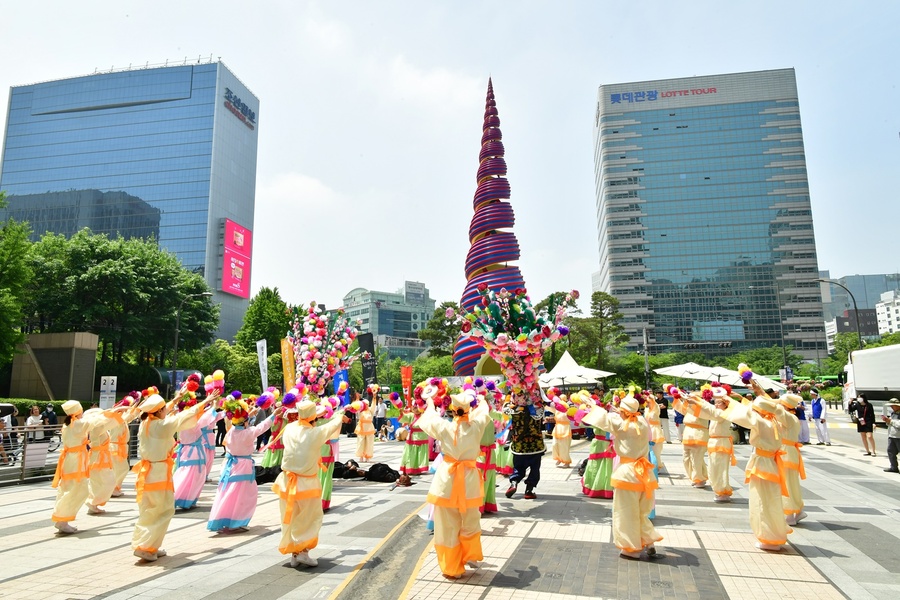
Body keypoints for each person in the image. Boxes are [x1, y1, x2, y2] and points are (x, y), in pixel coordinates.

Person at [698, 381, 792, 551]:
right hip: (770, 463)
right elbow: (759, 409)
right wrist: (755, 393)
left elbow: (743, 414)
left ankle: (769, 537)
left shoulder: (762, 423)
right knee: (771, 499)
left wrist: (727, 399)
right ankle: (775, 534)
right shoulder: (776, 422)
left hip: (763, 464)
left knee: (762, 501)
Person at [417, 383, 491, 579]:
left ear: (452, 410)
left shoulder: (444, 427)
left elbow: (429, 418)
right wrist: (481, 399)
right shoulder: (476, 426)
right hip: (469, 480)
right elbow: (484, 411)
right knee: (471, 519)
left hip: (447, 479)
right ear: (469, 409)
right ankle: (469, 554)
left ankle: (452, 566)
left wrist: (431, 402)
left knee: (447, 523)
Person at [131, 388, 214, 561]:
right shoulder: (162, 425)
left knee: (149, 509)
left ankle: (147, 544)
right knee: (163, 509)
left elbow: (167, 412)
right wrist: (205, 402)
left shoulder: (145, 422)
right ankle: (147, 547)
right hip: (159, 473)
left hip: (147, 472)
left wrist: (175, 400)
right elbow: (183, 416)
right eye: (163, 409)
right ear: (159, 411)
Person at [583, 392, 663, 560]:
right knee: (642, 511)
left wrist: (591, 404)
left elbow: (604, 418)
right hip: (644, 472)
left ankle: (631, 549)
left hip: (627, 473)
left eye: (620, 410)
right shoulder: (641, 422)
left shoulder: (620, 424)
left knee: (626, 513)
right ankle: (649, 542)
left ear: (625, 412)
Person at [273, 399, 344, 568]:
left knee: (290, 518)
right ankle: (303, 552)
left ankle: (294, 552)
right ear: (314, 418)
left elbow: (302, 422)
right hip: (306, 483)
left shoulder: (290, 428)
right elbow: (333, 424)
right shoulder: (315, 434)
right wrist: (341, 413)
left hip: (287, 481)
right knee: (310, 518)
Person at [51, 401, 128, 534]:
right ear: (78, 411)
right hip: (76, 460)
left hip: (71, 459)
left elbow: (97, 420)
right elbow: (97, 420)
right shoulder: (78, 424)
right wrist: (115, 410)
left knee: (68, 488)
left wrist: (114, 411)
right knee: (76, 490)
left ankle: (62, 518)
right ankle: (62, 519)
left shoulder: (68, 424)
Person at [207, 397, 275, 532]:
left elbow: (240, 424)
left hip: (230, 466)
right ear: (245, 422)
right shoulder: (248, 433)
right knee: (244, 495)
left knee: (228, 493)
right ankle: (236, 522)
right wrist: (274, 415)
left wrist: (248, 414)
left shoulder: (231, 431)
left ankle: (222, 519)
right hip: (243, 466)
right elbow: (263, 426)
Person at [687, 386, 736, 503]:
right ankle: (719, 490)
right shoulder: (717, 413)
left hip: (721, 443)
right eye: (715, 402)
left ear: (725, 404)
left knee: (720, 469)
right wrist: (691, 402)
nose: (716, 404)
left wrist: (698, 401)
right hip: (715, 442)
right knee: (714, 468)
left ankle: (723, 491)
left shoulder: (724, 413)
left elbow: (710, 410)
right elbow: (703, 413)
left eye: (719, 403)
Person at [173, 395, 223, 510]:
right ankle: (181, 498)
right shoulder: (193, 423)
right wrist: (213, 407)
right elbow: (205, 418)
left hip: (186, 450)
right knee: (192, 476)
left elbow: (205, 416)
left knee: (185, 474)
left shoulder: (180, 419)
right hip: (194, 452)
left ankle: (183, 498)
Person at [504, 392, 546, 500]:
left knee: (518, 467)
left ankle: (514, 482)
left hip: (519, 445)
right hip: (535, 446)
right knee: (535, 468)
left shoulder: (513, 410)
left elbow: (505, 407)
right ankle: (529, 490)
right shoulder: (538, 410)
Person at [778, 393, 807, 526]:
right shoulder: (791, 417)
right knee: (791, 483)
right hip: (789, 452)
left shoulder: (788, 417)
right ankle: (797, 510)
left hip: (786, 453)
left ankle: (789, 514)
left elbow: (774, 409)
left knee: (786, 484)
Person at [672, 389, 709, 487]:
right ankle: (699, 476)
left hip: (698, 434)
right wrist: (676, 397)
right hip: (688, 434)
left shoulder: (704, 409)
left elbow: (699, 410)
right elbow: (680, 408)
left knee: (696, 458)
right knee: (686, 458)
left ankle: (699, 479)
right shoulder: (690, 408)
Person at [580, 395, 614, 499]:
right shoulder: (610, 417)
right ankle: (606, 488)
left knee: (596, 466)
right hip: (607, 444)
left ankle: (596, 488)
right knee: (606, 467)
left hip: (599, 443)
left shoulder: (601, 417)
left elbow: (582, 424)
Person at [110, 392, 142, 498]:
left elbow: (131, 415)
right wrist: (134, 403)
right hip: (115, 447)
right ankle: (113, 488)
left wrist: (137, 403)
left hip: (120, 447)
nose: (125, 411)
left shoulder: (120, 419)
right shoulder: (115, 419)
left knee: (121, 468)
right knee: (120, 468)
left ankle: (115, 488)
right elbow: (129, 415)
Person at [399, 398, 430, 476]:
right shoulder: (411, 415)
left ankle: (419, 468)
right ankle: (411, 467)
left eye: (417, 407)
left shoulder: (424, 415)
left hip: (422, 437)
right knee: (411, 454)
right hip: (412, 437)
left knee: (420, 454)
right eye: (414, 407)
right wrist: (401, 412)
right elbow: (404, 418)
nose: (416, 409)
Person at [551, 396, 573, 468]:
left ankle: (566, 461)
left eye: (563, 399)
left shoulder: (568, 409)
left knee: (564, 446)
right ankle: (559, 458)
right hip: (557, 428)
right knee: (555, 444)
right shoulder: (556, 409)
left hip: (565, 429)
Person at [355, 396, 376, 462]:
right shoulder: (360, 411)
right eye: (364, 404)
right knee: (361, 443)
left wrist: (374, 397)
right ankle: (361, 456)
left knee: (369, 443)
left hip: (369, 428)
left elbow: (373, 406)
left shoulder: (370, 410)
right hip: (361, 428)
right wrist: (357, 399)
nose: (366, 405)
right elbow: (356, 407)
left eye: (367, 404)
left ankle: (367, 457)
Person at [882, 399, 900, 473]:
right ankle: (893, 467)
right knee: (890, 451)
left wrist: (890, 421)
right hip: (892, 436)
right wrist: (887, 421)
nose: (892, 407)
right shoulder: (893, 413)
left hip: (899, 437)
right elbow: (891, 424)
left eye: (893, 405)